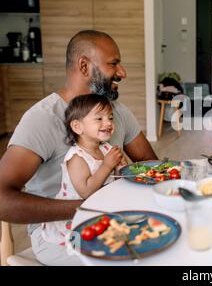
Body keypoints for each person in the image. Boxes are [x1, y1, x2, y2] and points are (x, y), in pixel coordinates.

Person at [0, 30, 158, 265]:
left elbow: (149, 163)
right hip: (59, 235)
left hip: (109, 220)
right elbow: (3, 200)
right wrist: (87, 208)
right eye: (113, 63)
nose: (122, 72)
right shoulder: (42, 119)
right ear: (84, 66)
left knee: (163, 244)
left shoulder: (118, 112)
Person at [41, 94, 126, 248]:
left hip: (99, 209)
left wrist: (120, 169)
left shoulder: (106, 148)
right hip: (75, 219)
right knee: (100, 245)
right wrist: (107, 165)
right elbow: (86, 192)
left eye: (110, 118)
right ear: (77, 127)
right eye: (99, 119)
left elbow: (115, 181)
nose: (108, 123)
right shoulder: (77, 158)